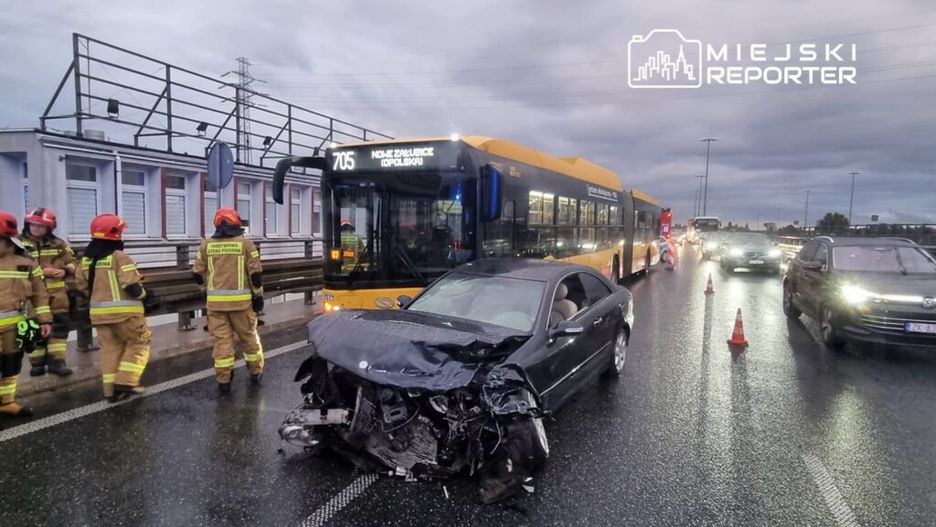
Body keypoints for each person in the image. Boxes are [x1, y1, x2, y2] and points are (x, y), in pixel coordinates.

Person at [74, 214, 151, 402]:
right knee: (140, 344)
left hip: (99, 316)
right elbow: (131, 286)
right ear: (115, 235)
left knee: (110, 350)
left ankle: (110, 392)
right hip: (126, 315)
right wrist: (146, 296)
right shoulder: (119, 257)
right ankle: (126, 381)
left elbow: (81, 287)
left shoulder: (86, 260)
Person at [193, 208, 264, 394]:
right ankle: (255, 371)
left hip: (215, 305)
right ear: (236, 223)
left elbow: (196, 273)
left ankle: (224, 379)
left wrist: (205, 290)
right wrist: (258, 296)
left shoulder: (206, 245)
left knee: (222, 342)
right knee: (248, 337)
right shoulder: (246, 245)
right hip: (241, 305)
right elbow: (255, 274)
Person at [0, 210, 52, 417]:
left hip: (15, 327)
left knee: (11, 364)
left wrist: (44, 320)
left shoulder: (26, 262)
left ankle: (6, 402)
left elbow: (40, 294)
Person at [21, 207, 75, 377]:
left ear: (49, 228)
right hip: (31, 297)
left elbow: (75, 262)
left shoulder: (59, 244)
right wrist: (42, 271)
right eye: (33, 224)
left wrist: (65, 270)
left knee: (59, 328)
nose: (36, 228)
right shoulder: (18, 244)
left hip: (57, 295)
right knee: (32, 328)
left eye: (41, 226)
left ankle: (57, 363)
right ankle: (36, 364)